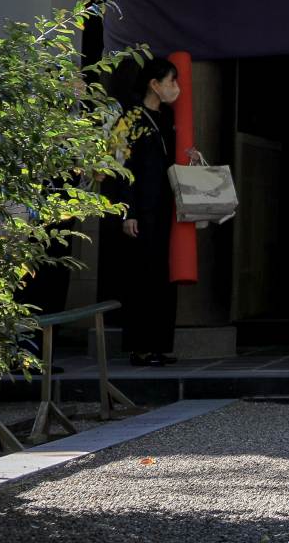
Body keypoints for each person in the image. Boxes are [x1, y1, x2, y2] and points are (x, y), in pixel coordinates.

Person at [111, 57, 181, 367]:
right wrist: (128, 212)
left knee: (161, 277)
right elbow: (122, 168)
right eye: (171, 82)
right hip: (141, 208)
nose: (175, 89)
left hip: (164, 206)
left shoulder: (166, 118)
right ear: (155, 84)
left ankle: (159, 344)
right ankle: (139, 346)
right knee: (141, 276)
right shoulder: (129, 119)